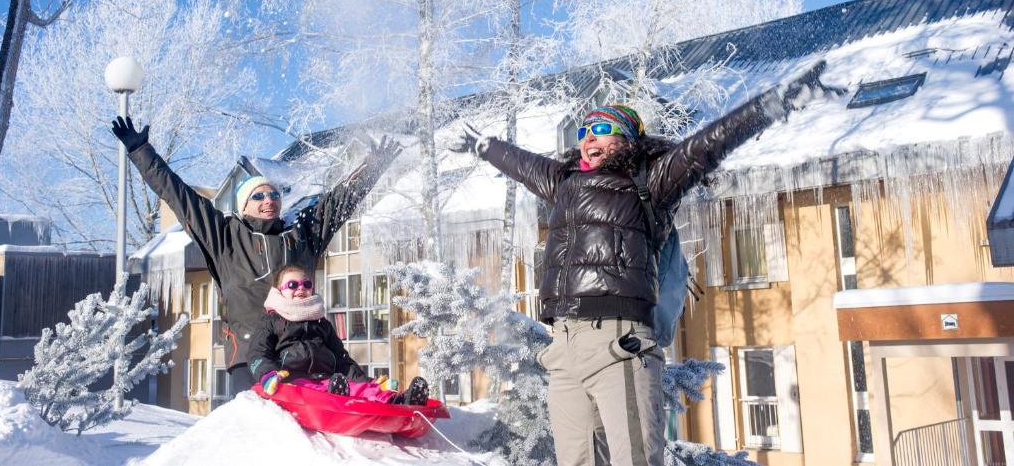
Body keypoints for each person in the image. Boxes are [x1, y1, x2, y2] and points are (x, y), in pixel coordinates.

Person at [449, 61, 843, 466]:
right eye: (583, 132)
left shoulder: (650, 181)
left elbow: (707, 145)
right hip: (564, 348)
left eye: (602, 129)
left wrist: (776, 102)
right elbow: (522, 163)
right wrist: (485, 146)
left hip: (619, 343)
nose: (589, 139)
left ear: (628, 138)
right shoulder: (564, 182)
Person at [111, 117, 401, 394]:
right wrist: (141, 151)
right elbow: (179, 196)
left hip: (304, 356)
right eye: (259, 196)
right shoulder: (224, 237)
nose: (269, 201)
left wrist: (373, 166)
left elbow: (339, 201)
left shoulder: (301, 235)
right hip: (250, 357)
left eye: (274, 195)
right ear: (243, 206)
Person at [248, 264, 429, 405]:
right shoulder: (272, 321)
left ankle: (399, 401)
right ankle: (335, 397)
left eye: (306, 284)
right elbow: (257, 353)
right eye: (293, 285)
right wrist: (268, 374)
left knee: (357, 388)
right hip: (293, 381)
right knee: (316, 390)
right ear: (280, 291)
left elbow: (342, 360)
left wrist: (368, 382)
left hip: (328, 380)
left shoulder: (322, 323)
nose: (301, 288)